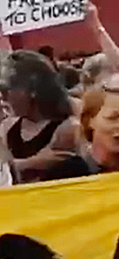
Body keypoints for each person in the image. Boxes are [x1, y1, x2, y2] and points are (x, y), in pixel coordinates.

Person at [0, 50, 78, 183]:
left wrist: (19, 165)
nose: (3, 97)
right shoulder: (8, 127)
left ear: (32, 90)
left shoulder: (67, 128)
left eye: (6, 90)